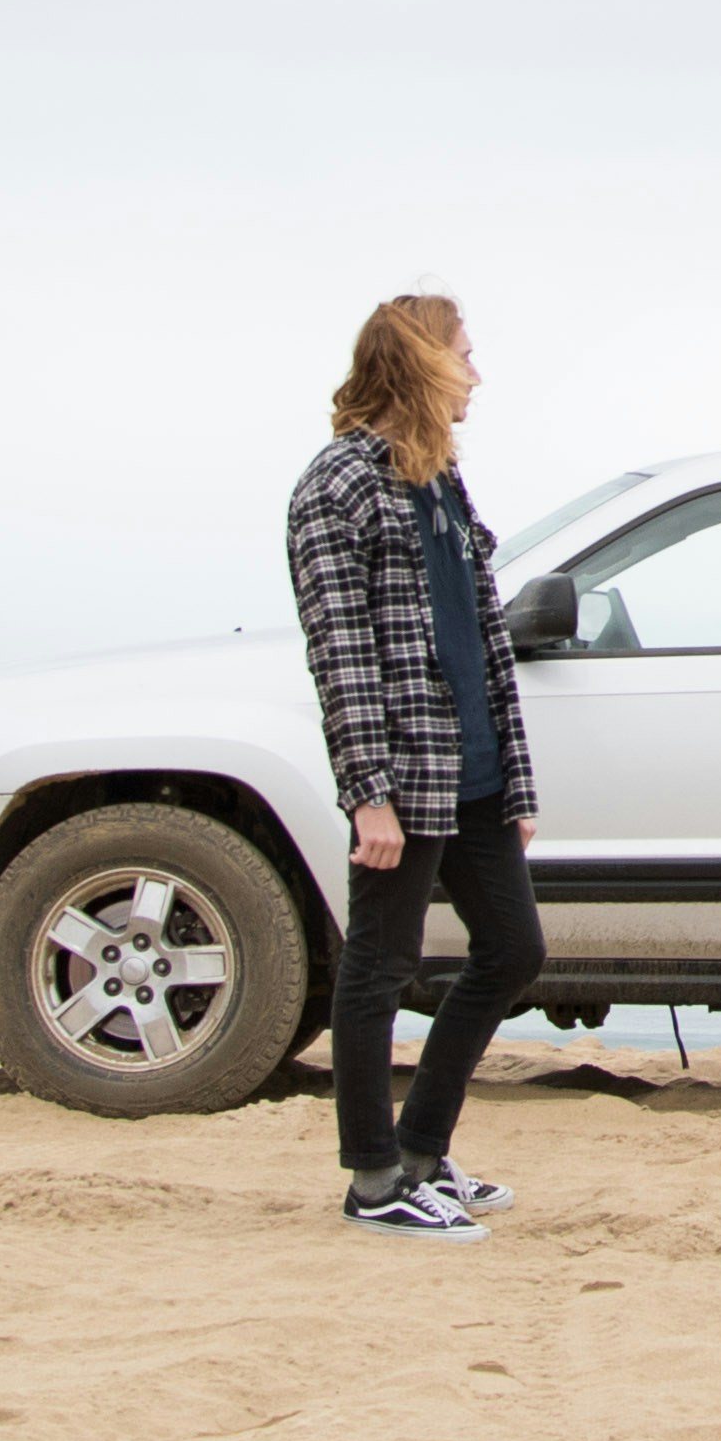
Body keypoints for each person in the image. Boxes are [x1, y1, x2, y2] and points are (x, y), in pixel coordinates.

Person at [283, 292, 550, 1240]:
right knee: (379, 968)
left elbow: (485, 641)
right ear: (421, 365)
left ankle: (424, 1152)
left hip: (474, 772)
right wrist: (369, 795)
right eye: (465, 356)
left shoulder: (442, 481)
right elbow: (341, 652)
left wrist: (514, 783)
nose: (477, 374)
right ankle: (373, 1182)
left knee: (515, 950)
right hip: (404, 777)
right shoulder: (338, 484)